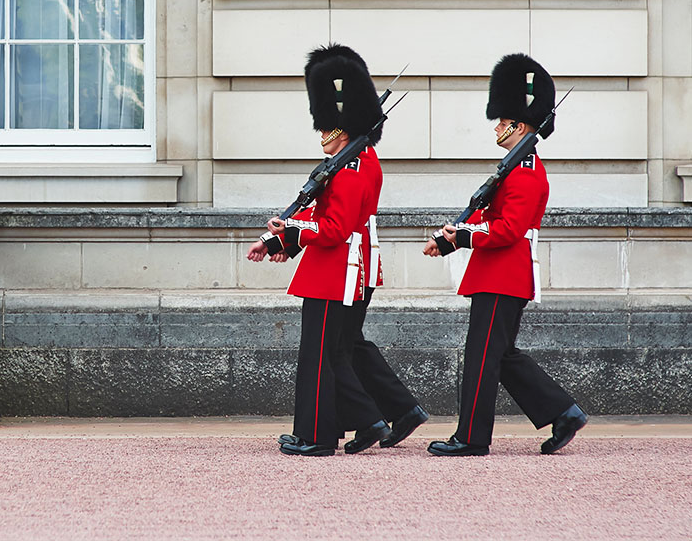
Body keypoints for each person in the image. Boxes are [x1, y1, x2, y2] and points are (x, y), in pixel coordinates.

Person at [249, 44, 418, 456]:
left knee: (320, 356)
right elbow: (314, 212)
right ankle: (373, 418)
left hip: (338, 269)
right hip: (335, 264)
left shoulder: (354, 168)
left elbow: (334, 228)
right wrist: (280, 239)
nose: (321, 134)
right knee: (338, 352)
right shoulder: (346, 163)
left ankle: (323, 435)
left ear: (341, 130)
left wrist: (291, 229)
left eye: (327, 127)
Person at [423, 53, 586, 456]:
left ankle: (472, 438)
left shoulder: (526, 170)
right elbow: (486, 217)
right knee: (502, 355)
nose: (497, 127)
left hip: (503, 273)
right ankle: (563, 411)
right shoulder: (514, 167)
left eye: (502, 121)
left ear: (519, 124)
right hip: (497, 271)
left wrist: (462, 236)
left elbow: (508, 229)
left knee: (481, 358)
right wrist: (450, 238)